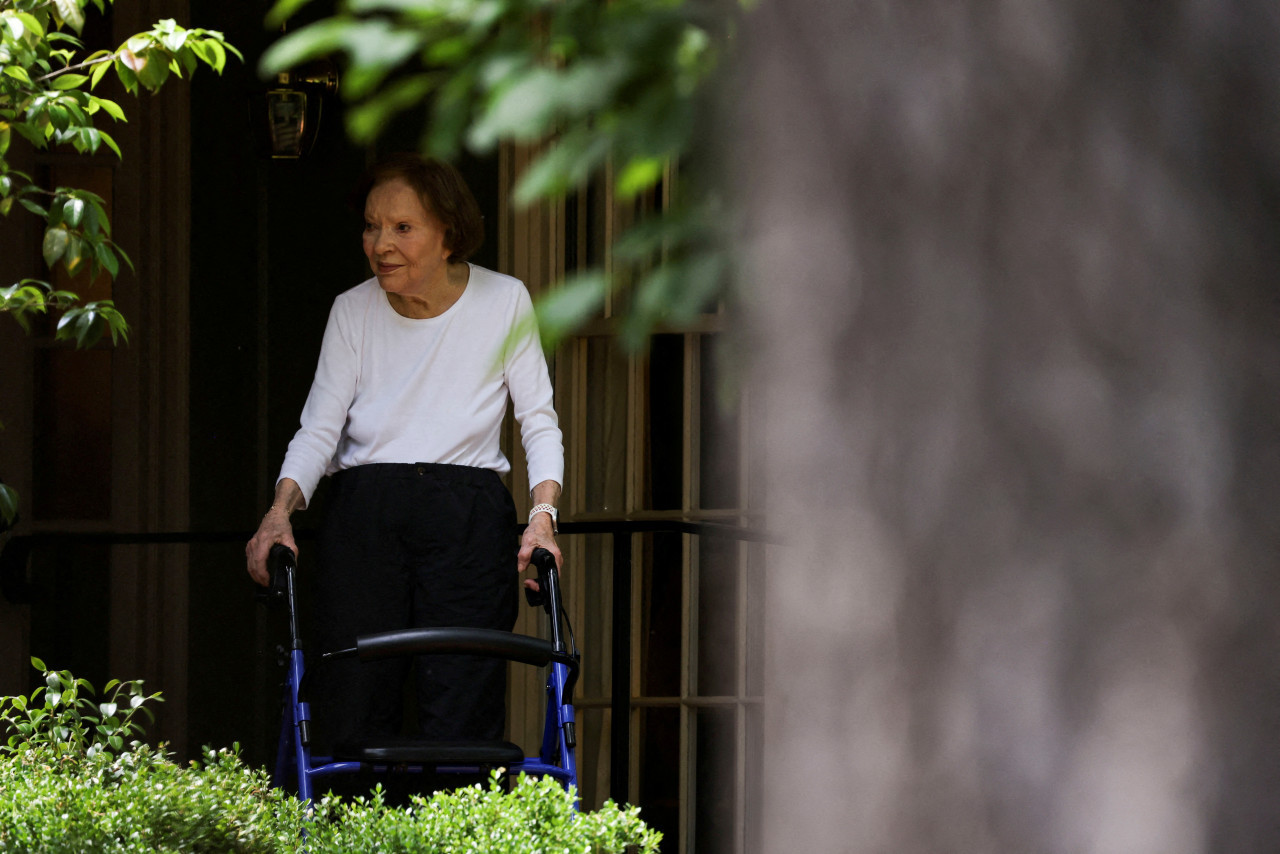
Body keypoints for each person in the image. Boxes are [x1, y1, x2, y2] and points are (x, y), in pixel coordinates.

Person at [245, 153, 563, 748]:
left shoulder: (505, 300)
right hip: (365, 516)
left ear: (448, 234)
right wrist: (278, 514)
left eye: (402, 228)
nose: (380, 244)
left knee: (463, 706)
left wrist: (542, 518)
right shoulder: (352, 309)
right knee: (355, 704)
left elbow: (538, 421)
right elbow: (318, 428)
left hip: (467, 516)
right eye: (371, 226)